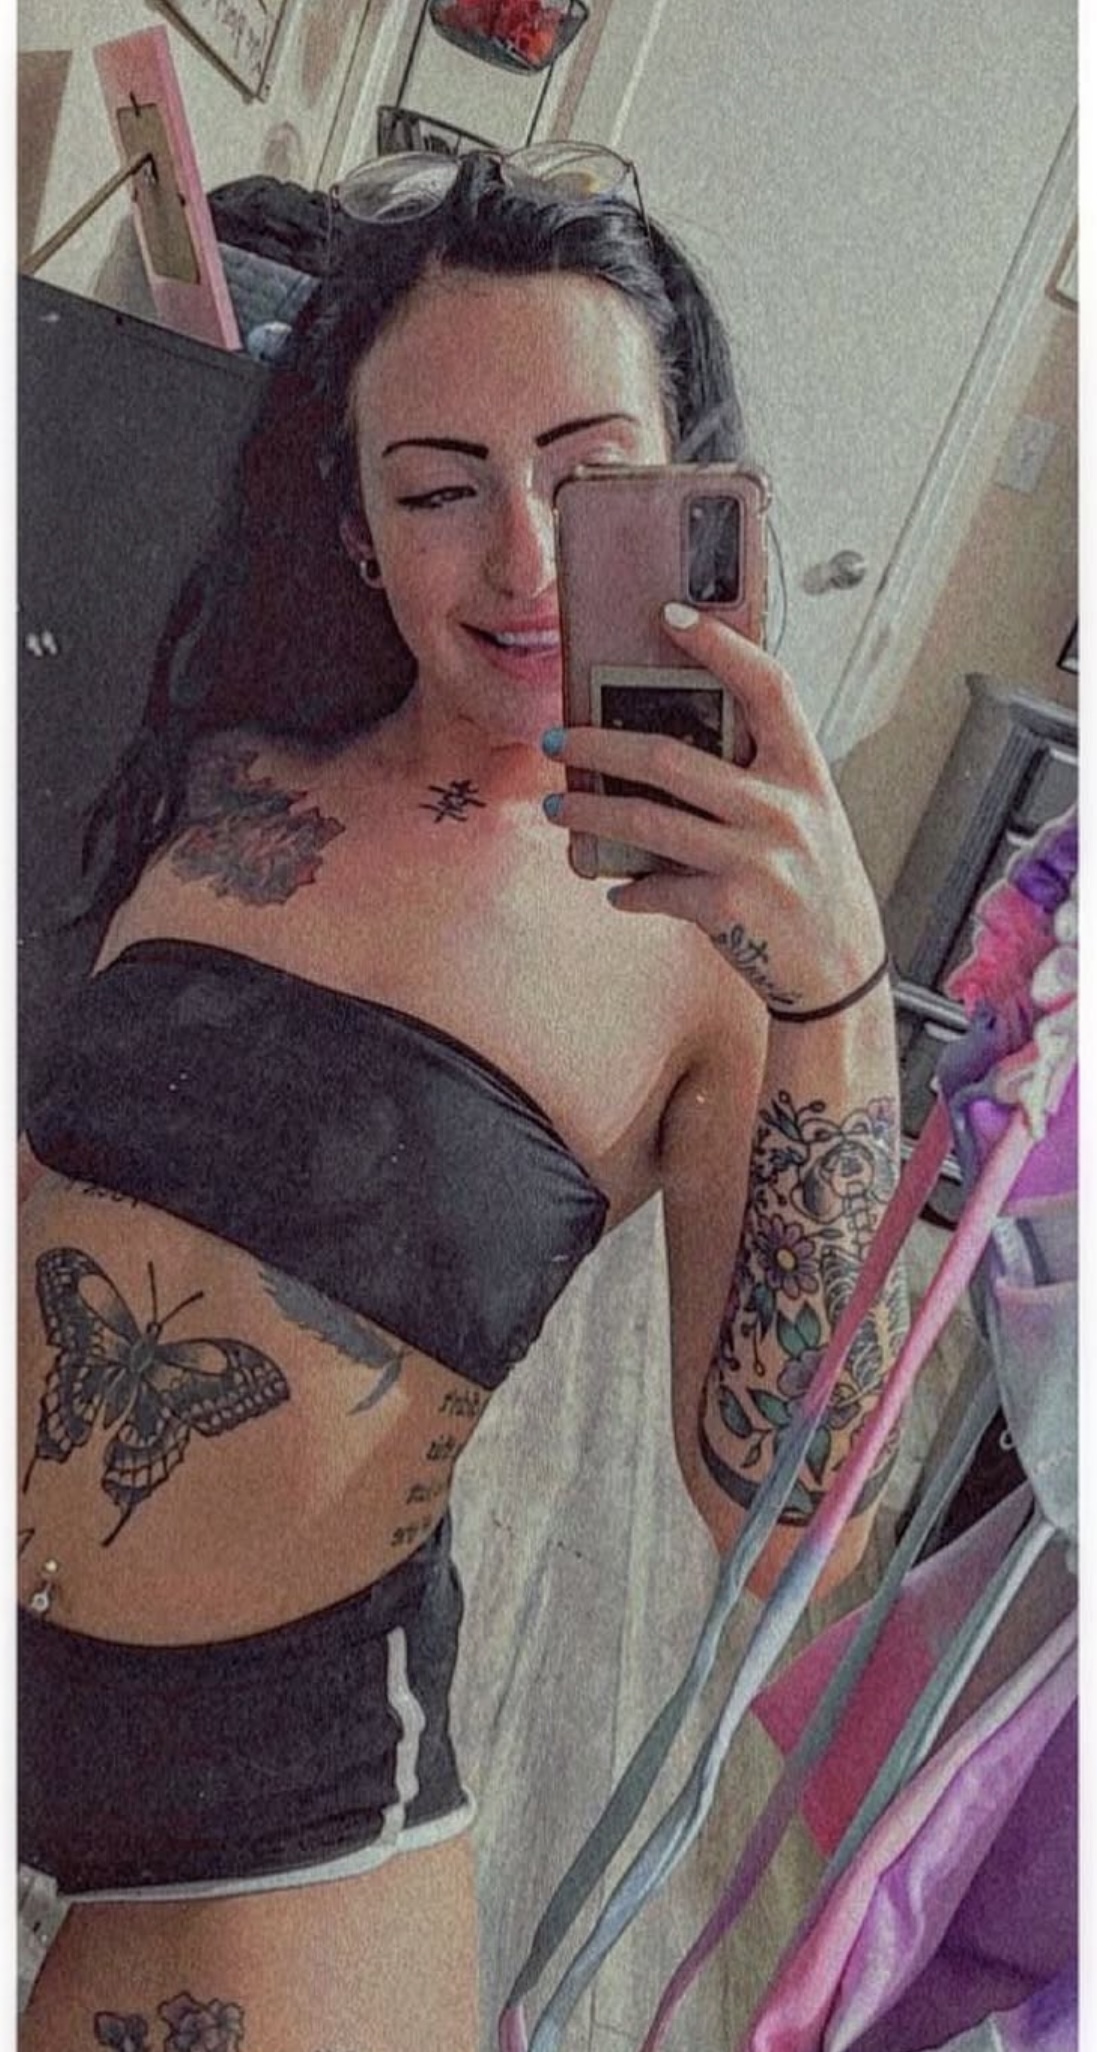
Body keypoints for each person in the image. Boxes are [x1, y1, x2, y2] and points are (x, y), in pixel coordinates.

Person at [18, 147, 903, 2050]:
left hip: (264, 1809)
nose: (523, 561)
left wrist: (837, 996)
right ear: (354, 524)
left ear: (689, 494)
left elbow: (791, 1522)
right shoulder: (234, 776)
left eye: (589, 479)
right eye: (439, 488)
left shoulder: (711, 946)